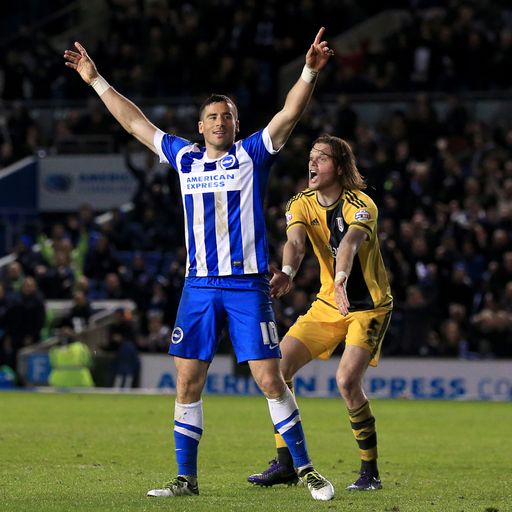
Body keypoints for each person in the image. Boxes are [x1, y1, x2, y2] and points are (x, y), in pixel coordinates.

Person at [64, 27, 335, 500]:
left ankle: (307, 468)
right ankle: (185, 479)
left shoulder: (253, 153)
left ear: (235, 123)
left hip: (247, 285)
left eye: (227, 116)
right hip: (199, 286)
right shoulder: (185, 159)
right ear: (200, 126)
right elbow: (135, 124)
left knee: (270, 379)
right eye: (212, 116)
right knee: (187, 382)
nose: (220, 122)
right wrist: (95, 80)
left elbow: (290, 112)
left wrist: (309, 69)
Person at [247, 135, 393, 491]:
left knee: (346, 381)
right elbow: (295, 242)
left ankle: (369, 471)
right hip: (329, 303)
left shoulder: (362, 205)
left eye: (322, 158)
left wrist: (342, 277)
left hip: (368, 306)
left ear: (340, 167)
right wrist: (288, 272)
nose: (312, 164)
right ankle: (285, 462)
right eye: (311, 157)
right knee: (278, 369)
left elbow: (349, 244)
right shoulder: (300, 202)